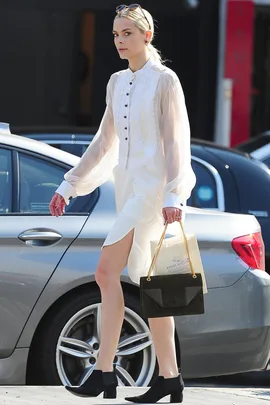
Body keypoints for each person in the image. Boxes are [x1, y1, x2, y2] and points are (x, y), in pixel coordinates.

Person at [49, 4, 196, 403]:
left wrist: (173, 194)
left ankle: (103, 370)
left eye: (127, 33)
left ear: (147, 35)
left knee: (104, 272)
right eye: (115, 35)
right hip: (129, 190)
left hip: (152, 193)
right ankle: (170, 378)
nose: (119, 41)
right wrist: (69, 185)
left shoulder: (165, 80)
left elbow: (176, 140)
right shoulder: (116, 82)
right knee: (154, 289)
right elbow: (104, 142)